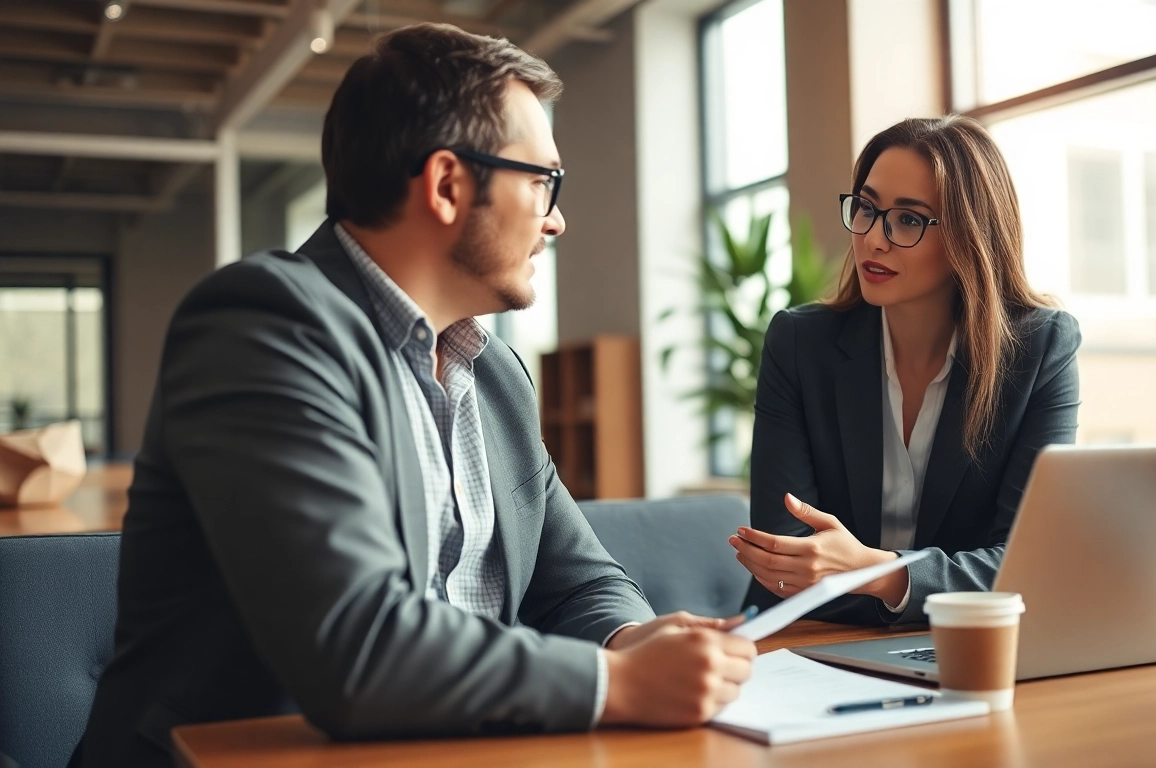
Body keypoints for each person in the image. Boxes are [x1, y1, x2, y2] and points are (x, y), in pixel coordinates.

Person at [77, 24, 754, 768]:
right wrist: (613, 683)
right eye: (542, 182)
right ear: (446, 184)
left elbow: (578, 581)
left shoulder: (493, 373)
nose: (556, 218)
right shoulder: (265, 325)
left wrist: (631, 639)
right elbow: (356, 649)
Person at [732, 115, 1081, 626]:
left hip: (965, 646)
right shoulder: (799, 345)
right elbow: (787, 561)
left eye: (909, 220)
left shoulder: (1039, 350)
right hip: (807, 639)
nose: (874, 239)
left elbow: (1027, 567)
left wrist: (880, 572)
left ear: (970, 237)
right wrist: (950, 586)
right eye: (868, 209)